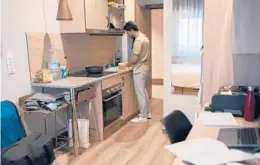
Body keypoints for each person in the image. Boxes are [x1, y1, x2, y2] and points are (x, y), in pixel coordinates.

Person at [123, 21, 151, 123]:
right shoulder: (144, 37)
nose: (128, 35)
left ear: (130, 30)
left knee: (140, 93)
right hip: (145, 68)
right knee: (143, 91)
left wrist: (126, 64)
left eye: (127, 32)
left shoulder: (138, 40)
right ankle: (147, 113)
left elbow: (135, 58)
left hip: (139, 69)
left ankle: (143, 116)